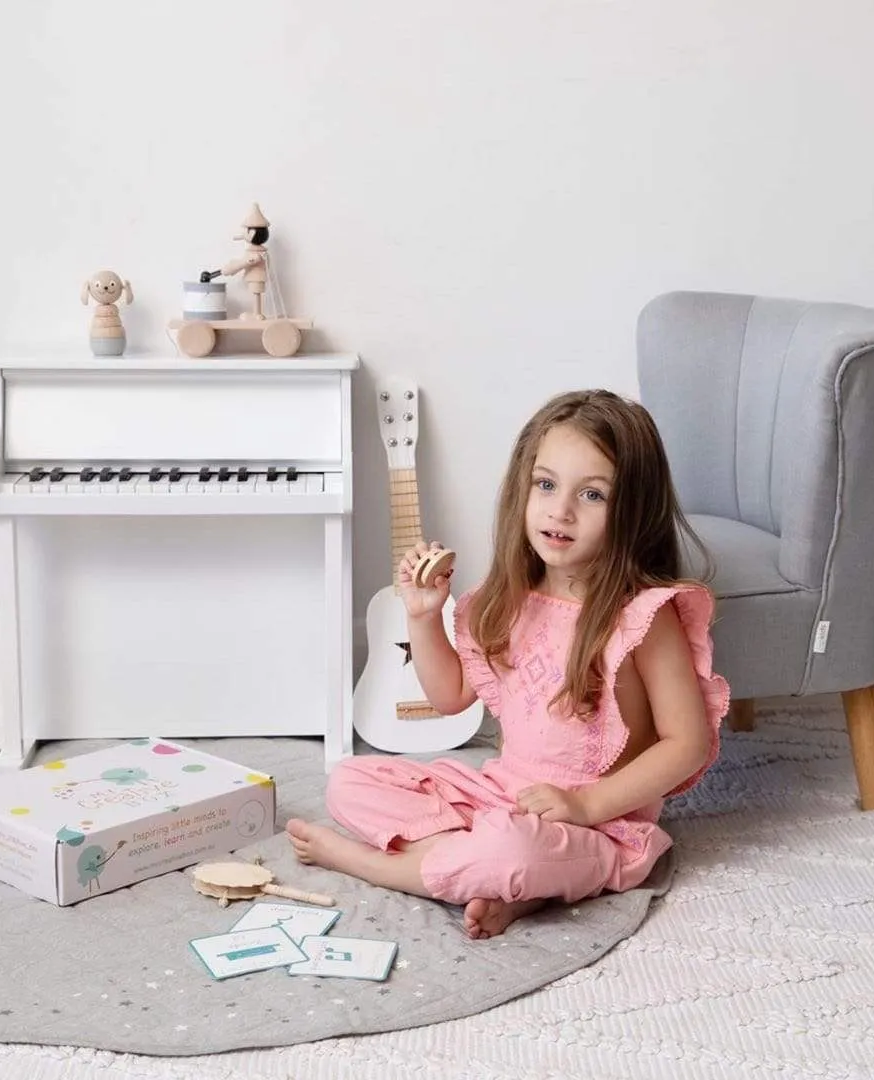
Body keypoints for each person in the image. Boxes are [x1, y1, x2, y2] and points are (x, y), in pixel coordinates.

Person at [287, 389, 730, 939]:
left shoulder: (643, 616)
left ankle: (377, 865)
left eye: (592, 494)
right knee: (350, 780)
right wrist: (423, 616)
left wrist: (584, 803)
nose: (559, 510)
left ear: (633, 510)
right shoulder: (509, 597)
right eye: (545, 485)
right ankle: (498, 881)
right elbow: (448, 697)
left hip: (598, 824)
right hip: (498, 795)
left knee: (514, 850)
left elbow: (686, 743)